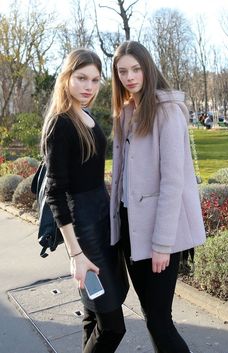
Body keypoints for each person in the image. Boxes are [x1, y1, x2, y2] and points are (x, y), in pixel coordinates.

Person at [110, 40, 206, 353]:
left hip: (158, 234)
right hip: (130, 228)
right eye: (122, 71)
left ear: (148, 68)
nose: (129, 76)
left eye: (136, 69)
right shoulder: (125, 113)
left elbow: (173, 182)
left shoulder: (167, 112)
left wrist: (163, 244)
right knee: (151, 315)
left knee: (159, 320)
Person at [40, 48, 129, 353]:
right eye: (81, 78)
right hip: (85, 230)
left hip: (102, 221)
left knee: (93, 316)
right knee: (113, 326)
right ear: (66, 78)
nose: (88, 86)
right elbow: (55, 192)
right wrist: (76, 254)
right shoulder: (61, 124)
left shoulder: (85, 114)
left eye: (94, 79)